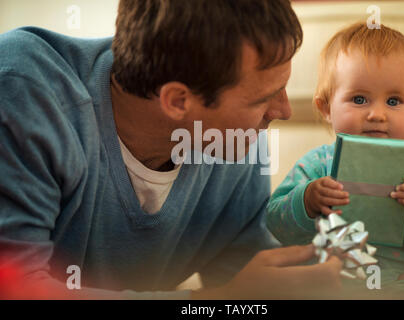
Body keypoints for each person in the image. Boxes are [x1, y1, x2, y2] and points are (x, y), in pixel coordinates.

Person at [0, 0, 343, 299]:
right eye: (264, 98)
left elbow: (252, 287)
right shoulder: (25, 93)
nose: (282, 111)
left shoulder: (237, 146)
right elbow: (14, 289)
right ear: (178, 101)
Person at [267, 22, 404, 299]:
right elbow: (277, 227)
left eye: (393, 101)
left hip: (400, 282)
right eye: (360, 98)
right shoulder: (315, 166)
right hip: (323, 280)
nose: (377, 114)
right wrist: (305, 201)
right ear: (326, 108)